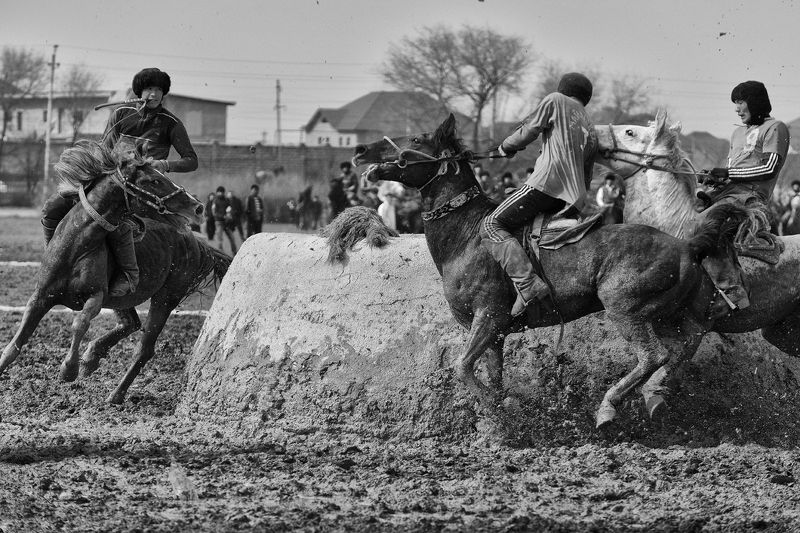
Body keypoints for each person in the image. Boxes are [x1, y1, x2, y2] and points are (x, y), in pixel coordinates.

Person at [41, 67, 198, 297]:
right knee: (52, 207)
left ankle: (128, 275)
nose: (153, 95)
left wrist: (164, 165)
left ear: (164, 94)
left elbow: (191, 161)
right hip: (112, 183)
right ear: (139, 92)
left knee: (119, 225)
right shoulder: (121, 114)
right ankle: (52, 257)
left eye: (158, 90)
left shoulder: (171, 123)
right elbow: (105, 149)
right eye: (148, 89)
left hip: (144, 191)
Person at [479, 72, 597, 317]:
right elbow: (587, 172)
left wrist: (504, 147)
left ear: (563, 89)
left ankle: (527, 285)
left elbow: (530, 129)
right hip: (572, 197)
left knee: (491, 224)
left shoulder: (555, 100)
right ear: (586, 98)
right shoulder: (588, 123)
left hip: (546, 184)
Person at [698, 81, 790, 313]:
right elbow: (732, 172)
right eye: (735, 104)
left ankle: (735, 294)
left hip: (750, 199)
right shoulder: (737, 132)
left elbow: (769, 168)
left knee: (712, 231)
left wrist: (729, 173)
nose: (737, 109)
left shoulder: (776, 127)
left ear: (755, 102)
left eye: (740, 102)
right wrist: (716, 178)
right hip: (726, 193)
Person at [212, 186, 236, 254]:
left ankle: (235, 252)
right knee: (220, 239)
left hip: (226, 222)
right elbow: (214, 213)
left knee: (232, 238)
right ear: (217, 193)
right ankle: (220, 253)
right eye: (219, 192)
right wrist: (223, 216)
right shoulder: (215, 201)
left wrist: (229, 214)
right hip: (218, 222)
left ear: (223, 192)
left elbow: (230, 208)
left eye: (221, 192)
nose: (220, 193)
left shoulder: (227, 200)